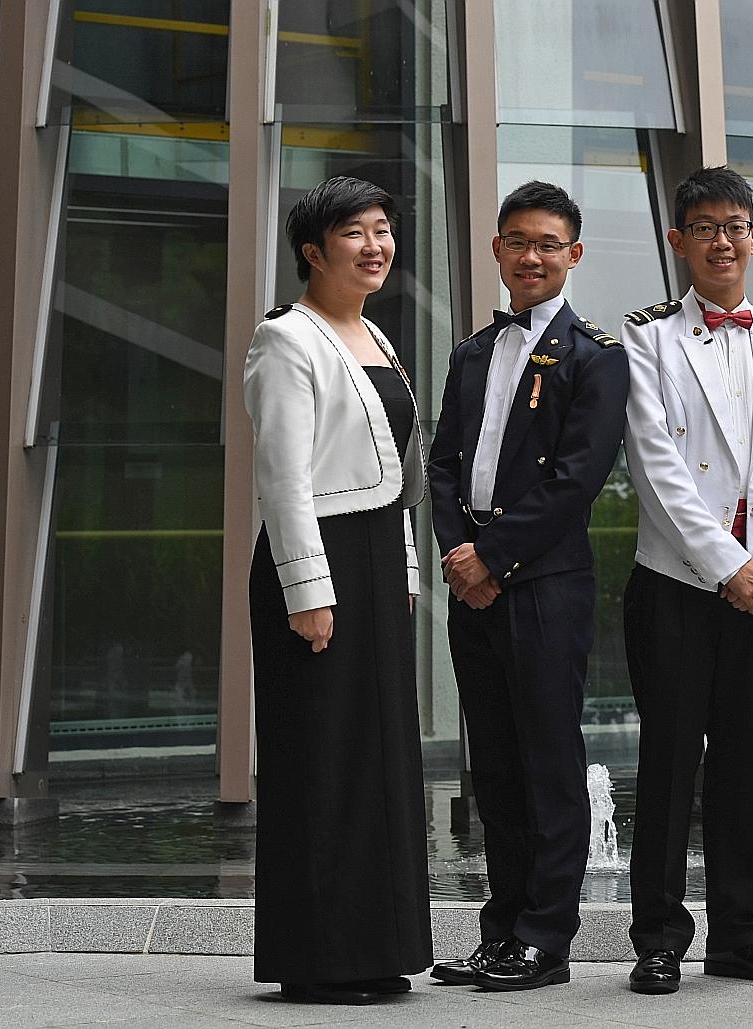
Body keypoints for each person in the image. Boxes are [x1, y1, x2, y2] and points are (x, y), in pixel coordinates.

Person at [618, 166, 753, 994]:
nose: (721, 241)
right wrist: (728, 563)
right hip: (677, 582)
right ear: (678, 241)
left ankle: (740, 932)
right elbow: (657, 469)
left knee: (746, 759)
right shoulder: (647, 339)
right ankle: (659, 935)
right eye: (703, 226)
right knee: (669, 760)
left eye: (735, 225)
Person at [426, 181, 629, 992]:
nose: (532, 256)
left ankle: (546, 937)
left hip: (543, 586)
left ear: (573, 255)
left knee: (547, 764)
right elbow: (442, 463)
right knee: (497, 770)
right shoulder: (472, 350)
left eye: (548, 243)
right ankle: (500, 930)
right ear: (498, 250)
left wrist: (491, 558)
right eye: (517, 241)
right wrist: (457, 553)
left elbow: (577, 482)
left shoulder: (597, 356)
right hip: (472, 583)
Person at [244, 176, 432, 1005]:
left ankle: (377, 947)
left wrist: (407, 573)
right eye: (353, 232)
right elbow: (283, 479)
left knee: (381, 759)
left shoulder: (377, 338)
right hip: (314, 563)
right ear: (313, 251)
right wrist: (307, 591)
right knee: (322, 761)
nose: (375, 245)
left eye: (383, 229)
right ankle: (319, 959)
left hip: (375, 562)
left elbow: (391, 475)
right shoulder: (286, 339)